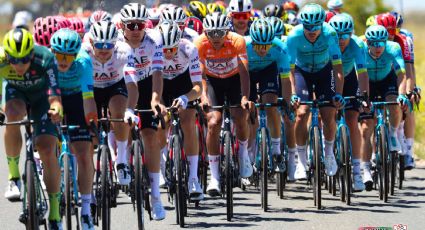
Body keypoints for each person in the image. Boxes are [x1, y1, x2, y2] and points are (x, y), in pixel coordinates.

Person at [1, 28, 64, 229]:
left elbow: (54, 93)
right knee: (11, 115)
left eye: (24, 60)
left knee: (46, 149)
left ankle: (54, 213)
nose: (19, 65)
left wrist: (56, 107)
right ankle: (14, 178)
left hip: (42, 98)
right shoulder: (1, 60)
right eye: (14, 60)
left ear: (32, 54)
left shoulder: (45, 58)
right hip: (16, 93)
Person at [194, 12, 254, 196]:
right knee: (213, 122)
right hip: (212, 82)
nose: (216, 38)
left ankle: (243, 155)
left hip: (234, 79)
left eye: (220, 33)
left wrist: (244, 97)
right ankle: (215, 178)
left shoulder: (237, 41)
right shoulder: (200, 43)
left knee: (240, 116)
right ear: (206, 33)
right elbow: (201, 75)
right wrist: (203, 96)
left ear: (227, 32)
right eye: (211, 33)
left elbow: (244, 73)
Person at [119, 2, 167, 220]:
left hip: (147, 82)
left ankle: (156, 196)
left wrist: (156, 99)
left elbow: (158, 73)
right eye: (131, 25)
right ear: (122, 26)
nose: (136, 30)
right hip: (121, 83)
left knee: (150, 136)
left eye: (140, 25)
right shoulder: (116, 43)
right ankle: (122, 158)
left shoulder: (154, 42)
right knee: (121, 125)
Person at [287, 3, 343, 180]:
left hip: (324, 71)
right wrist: (293, 93)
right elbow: (289, 69)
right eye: (307, 26)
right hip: (301, 72)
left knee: (329, 112)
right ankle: (302, 162)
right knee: (302, 113)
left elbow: (338, 68)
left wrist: (338, 94)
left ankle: (328, 153)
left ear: (322, 24)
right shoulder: (294, 36)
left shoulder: (330, 34)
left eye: (316, 26)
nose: (311, 30)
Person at [82, 21, 136, 186]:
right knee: (89, 127)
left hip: (115, 86)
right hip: (91, 89)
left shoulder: (124, 51)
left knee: (119, 112)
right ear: (92, 43)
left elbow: (132, 84)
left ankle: (121, 161)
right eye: (100, 45)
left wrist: (130, 110)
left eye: (109, 45)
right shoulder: (84, 53)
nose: (104, 49)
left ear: (115, 43)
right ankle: (89, 172)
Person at [156, 21, 204, 200]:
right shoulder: (152, 49)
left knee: (188, 122)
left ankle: (193, 178)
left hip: (183, 82)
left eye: (172, 49)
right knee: (162, 122)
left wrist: (186, 97)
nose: (168, 53)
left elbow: (198, 87)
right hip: (160, 84)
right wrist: (159, 104)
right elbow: (150, 86)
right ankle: (161, 162)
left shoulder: (189, 49)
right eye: (165, 50)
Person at [359, 25, 409, 190]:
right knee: (367, 128)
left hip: (387, 81)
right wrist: (362, 98)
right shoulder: (360, 47)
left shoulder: (393, 48)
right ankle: (365, 168)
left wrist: (402, 95)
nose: (378, 47)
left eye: (381, 43)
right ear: (368, 43)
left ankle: (393, 133)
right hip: (366, 83)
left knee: (395, 104)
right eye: (374, 43)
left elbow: (401, 74)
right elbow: (356, 75)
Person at [329, 14, 370, 192]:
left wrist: (364, 96)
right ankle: (326, 151)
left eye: (345, 35)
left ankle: (356, 171)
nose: (341, 40)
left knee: (352, 120)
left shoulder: (357, 45)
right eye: (337, 35)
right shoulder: (327, 43)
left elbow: (362, 73)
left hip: (349, 78)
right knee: (327, 115)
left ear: (351, 35)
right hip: (329, 78)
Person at [245, 19, 291, 175]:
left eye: (266, 46)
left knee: (272, 105)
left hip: (268, 71)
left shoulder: (280, 48)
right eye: (258, 46)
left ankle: (277, 152)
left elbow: (285, 79)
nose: (263, 50)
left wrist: (286, 101)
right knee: (248, 111)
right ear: (252, 42)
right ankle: (249, 154)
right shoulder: (243, 46)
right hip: (248, 73)